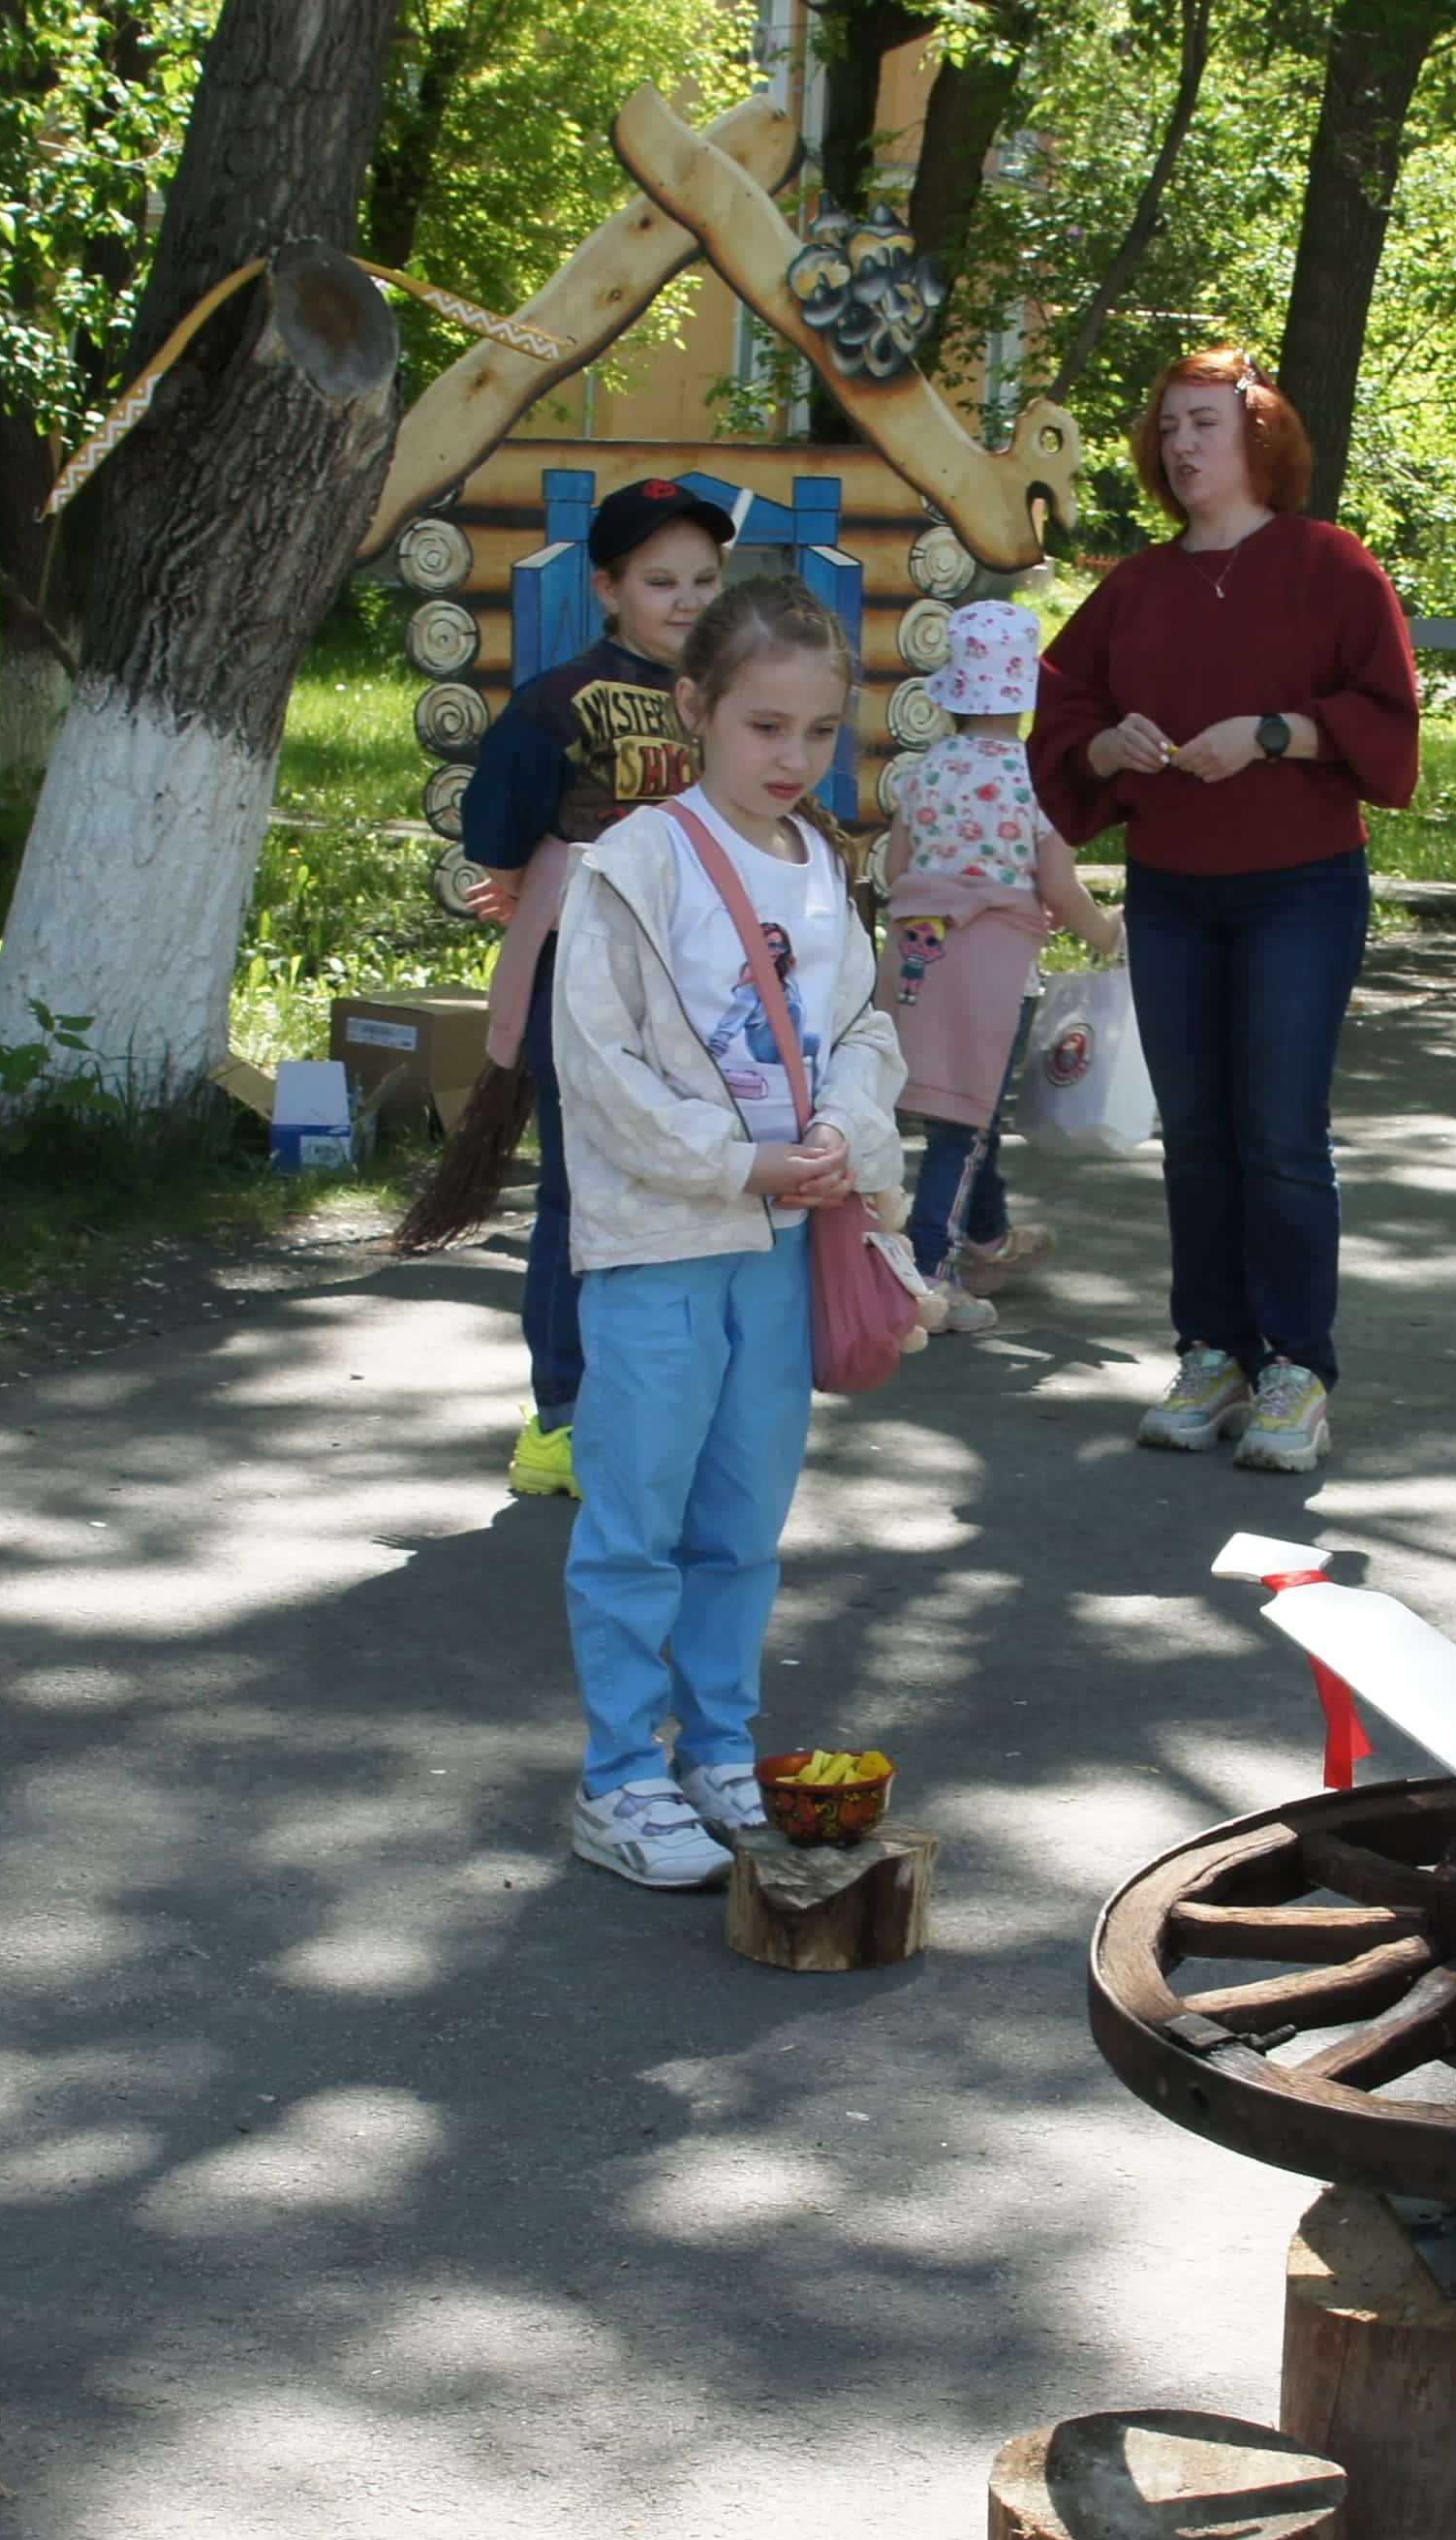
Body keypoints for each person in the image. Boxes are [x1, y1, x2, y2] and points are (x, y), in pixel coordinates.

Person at [547, 577, 904, 1888]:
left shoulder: (822, 864)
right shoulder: (635, 862)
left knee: (744, 1515)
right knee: (635, 1515)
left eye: (818, 731)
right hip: (659, 1242)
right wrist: (735, 1159)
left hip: (785, 1246)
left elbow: (861, 1029)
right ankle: (618, 1776)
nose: (792, 757)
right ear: (694, 707)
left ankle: (714, 1747)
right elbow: (595, 1064)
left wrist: (844, 1133)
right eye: (764, 726)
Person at [1031, 346, 1418, 1474]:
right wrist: (1106, 746)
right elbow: (1061, 719)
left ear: (1259, 436)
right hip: (1172, 890)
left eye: (1203, 422)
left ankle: (1295, 1368)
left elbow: (1386, 719)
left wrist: (1271, 733)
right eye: (1167, 427)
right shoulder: (1136, 585)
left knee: (1279, 1133)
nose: (1181, 443)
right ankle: (1212, 1351)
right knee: (1195, 1135)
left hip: (1298, 887)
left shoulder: (1327, 563)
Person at [439, 479, 733, 1498]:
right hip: (587, 981)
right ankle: (562, 1416)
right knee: (581, 1192)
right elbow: (495, 834)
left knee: (693, 1187)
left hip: (708, 983)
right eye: (660, 580)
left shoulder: (734, 700)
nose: (686, 600)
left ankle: (661, 1407)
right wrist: (538, 883)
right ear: (607, 587)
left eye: (704, 579)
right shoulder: (556, 701)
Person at [881, 596, 1118, 1334]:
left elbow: (895, 868)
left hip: (919, 959)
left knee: (953, 1108)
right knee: (968, 1122)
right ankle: (930, 1271)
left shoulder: (924, 770)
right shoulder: (1038, 777)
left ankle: (986, 1238)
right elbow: (1059, 887)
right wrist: (1107, 933)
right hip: (994, 970)